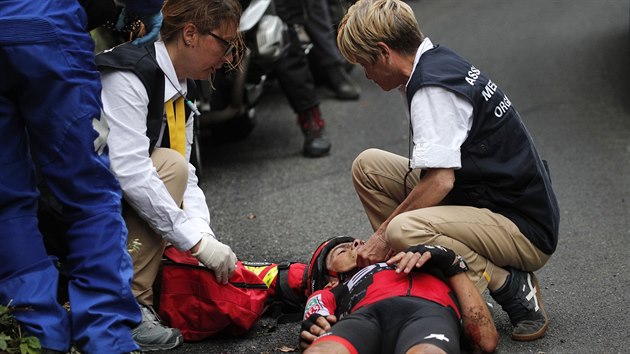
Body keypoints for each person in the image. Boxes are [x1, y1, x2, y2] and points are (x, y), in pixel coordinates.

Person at [336, 0, 560, 342]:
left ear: (383, 52)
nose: (366, 75)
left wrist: (381, 237)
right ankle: (423, 282)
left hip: (523, 230)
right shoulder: (435, 60)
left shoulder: (431, 88)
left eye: (365, 64)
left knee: (400, 229)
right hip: (486, 198)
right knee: (368, 167)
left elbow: (441, 181)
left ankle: (509, 283)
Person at [0, 0, 161, 353]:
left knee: (7, 204)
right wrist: (146, 6)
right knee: (89, 195)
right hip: (47, 27)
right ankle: (107, 337)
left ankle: (38, 335)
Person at [94, 0, 242, 350]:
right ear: (190, 34)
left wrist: (205, 238)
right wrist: (195, 243)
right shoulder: (129, 75)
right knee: (165, 168)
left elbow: (185, 175)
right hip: (67, 205)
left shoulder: (177, 81)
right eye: (225, 43)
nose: (227, 57)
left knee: (174, 168)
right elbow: (132, 172)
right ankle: (127, 307)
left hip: (109, 198)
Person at [299, 236, 498, 354]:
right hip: (363, 320)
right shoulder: (331, 290)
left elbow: (486, 341)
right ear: (331, 280)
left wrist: (452, 263)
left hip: (429, 316)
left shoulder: (417, 261)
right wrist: (315, 327)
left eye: (356, 241)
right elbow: (316, 313)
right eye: (342, 251)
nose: (357, 242)